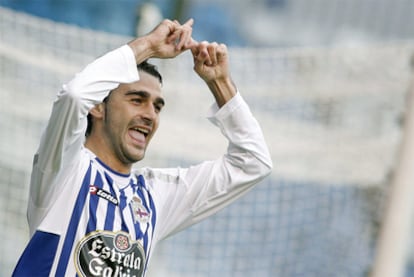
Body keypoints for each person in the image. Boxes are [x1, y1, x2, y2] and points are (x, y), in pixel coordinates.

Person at [12, 18, 272, 276]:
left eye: (157, 106)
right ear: (98, 106)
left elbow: (253, 163)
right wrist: (147, 46)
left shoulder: (155, 194)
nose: (151, 115)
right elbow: (76, 95)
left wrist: (220, 83)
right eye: (137, 100)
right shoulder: (65, 169)